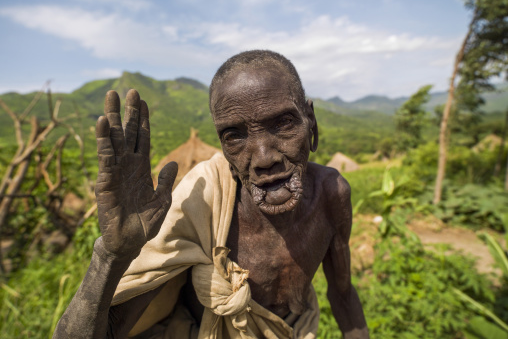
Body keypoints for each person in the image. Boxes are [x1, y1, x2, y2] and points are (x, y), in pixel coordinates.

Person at [53, 50, 369, 339]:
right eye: (234, 135)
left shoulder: (332, 194)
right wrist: (111, 256)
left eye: (283, 123)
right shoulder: (204, 202)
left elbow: (342, 293)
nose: (263, 157)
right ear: (221, 144)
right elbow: (104, 333)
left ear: (310, 122)